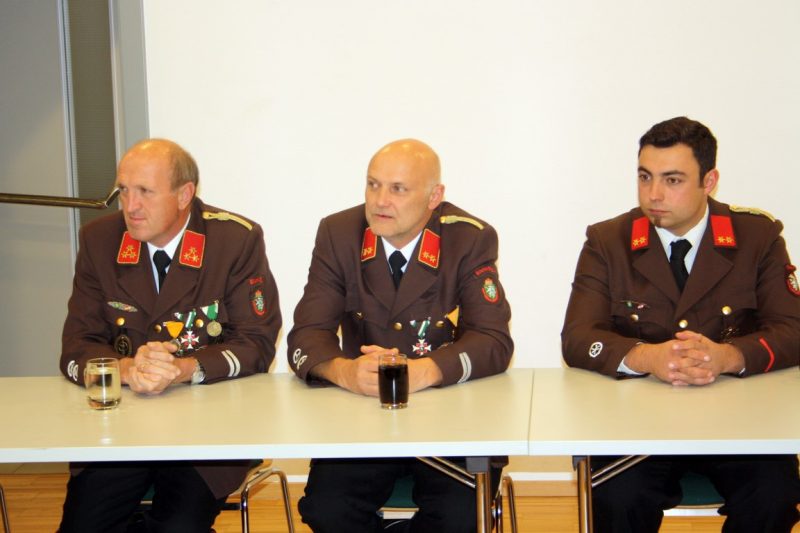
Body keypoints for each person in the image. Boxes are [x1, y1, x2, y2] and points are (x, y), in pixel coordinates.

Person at [561, 116, 800, 532]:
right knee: (616, 498)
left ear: (710, 181)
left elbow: (793, 330)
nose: (653, 194)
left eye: (672, 180)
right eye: (645, 177)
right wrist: (647, 357)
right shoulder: (608, 241)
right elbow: (578, 338)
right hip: (636, 427)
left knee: (774, 496)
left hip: (738, 422)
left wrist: (728, 357)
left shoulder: (757, 236)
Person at [288, 138, 513, 532]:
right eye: (373, 184)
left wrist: (424, 370)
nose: (380, 201)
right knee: (326, 509)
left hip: (452, 419)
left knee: (459, 517)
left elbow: (494, 340)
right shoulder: (339, 233)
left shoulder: (469, 238)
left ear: (434, 196)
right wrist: (344, 372)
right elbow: (307, 334)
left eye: (398, 189)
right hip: (366, 417)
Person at [58, 139, 282, 533]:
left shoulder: (233, 240)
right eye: (123, 190)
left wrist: (183, 369)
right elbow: (77, 345)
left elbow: (256, 342)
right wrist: (128, 369)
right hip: (122, 424)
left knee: (177, 526)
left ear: (184, 194)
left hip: (210, 428)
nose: (130, 206)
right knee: (83, 526)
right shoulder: (100, 240)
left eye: (145, 191)